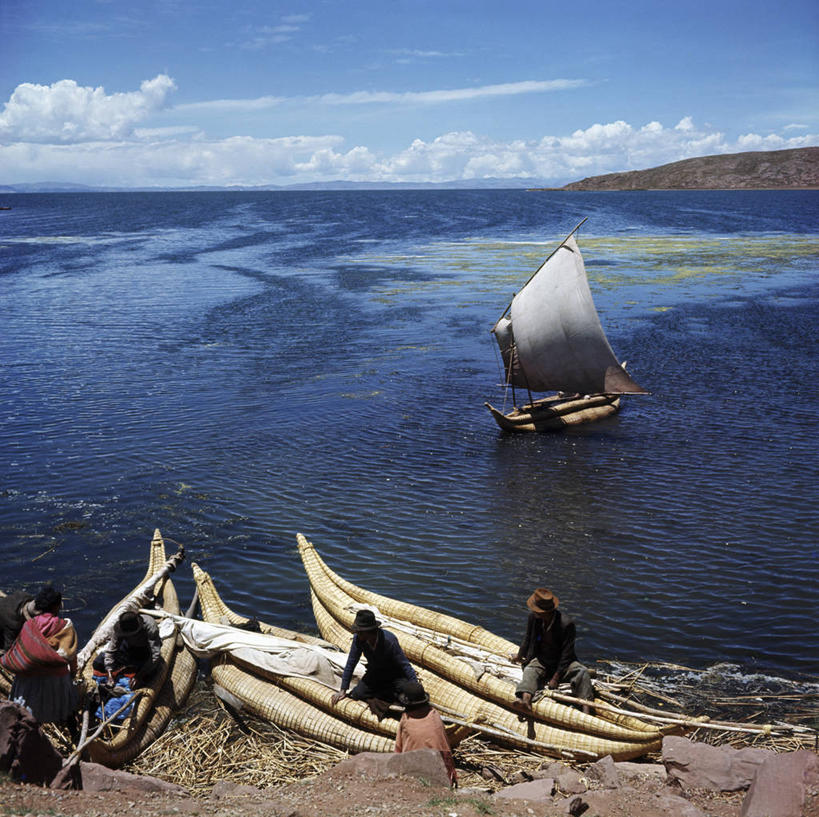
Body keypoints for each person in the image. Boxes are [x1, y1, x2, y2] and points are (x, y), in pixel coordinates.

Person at [1, 585, 79, 728]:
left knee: (29, 716)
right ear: (56, 607)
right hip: (56, 680)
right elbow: (71, 655)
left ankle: (30, 729)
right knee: (64, 709)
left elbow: (21, 650)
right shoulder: (65, 626)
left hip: (30, 679)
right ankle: (72, 728)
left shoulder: (29, 625)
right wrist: (73, 673)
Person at [510, 588, 595, 717]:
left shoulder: (566, 624)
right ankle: (526, 701)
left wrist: (556, 677)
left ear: (545, 612)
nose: (533, 611)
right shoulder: (534, 618)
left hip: (563, 663)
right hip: (542, 659)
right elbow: (527, 639)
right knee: (529, 671)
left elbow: (567, 653)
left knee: (582, 672)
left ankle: (586, 710)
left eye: (537, 610)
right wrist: (520, 656)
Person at [330, 609, 417, 717]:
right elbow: (351, 663)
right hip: (375, 673)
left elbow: (405, 665)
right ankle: (386, 693)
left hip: (395, 675)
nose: (357, 634)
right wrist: (343, 690)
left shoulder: (389, 640)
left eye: (360, 631)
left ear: (369, 631)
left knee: (407, 695)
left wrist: (415, 686)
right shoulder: (358, 639)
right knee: (358, 694)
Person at [394, 681, 457, 786]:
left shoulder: (406, 719)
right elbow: (445, 749)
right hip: (440, 772)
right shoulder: (434, 715)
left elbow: (398, 749)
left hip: (413, 773)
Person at [92, 610, 162, 688]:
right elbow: (111, 650)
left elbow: (155, 655)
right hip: (128, 648)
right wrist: (110, 674)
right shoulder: (120, 627)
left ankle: (138, 669)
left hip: (145, 651)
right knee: (98, 662)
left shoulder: (150, 626)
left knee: (149, 676)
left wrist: (139, 676)